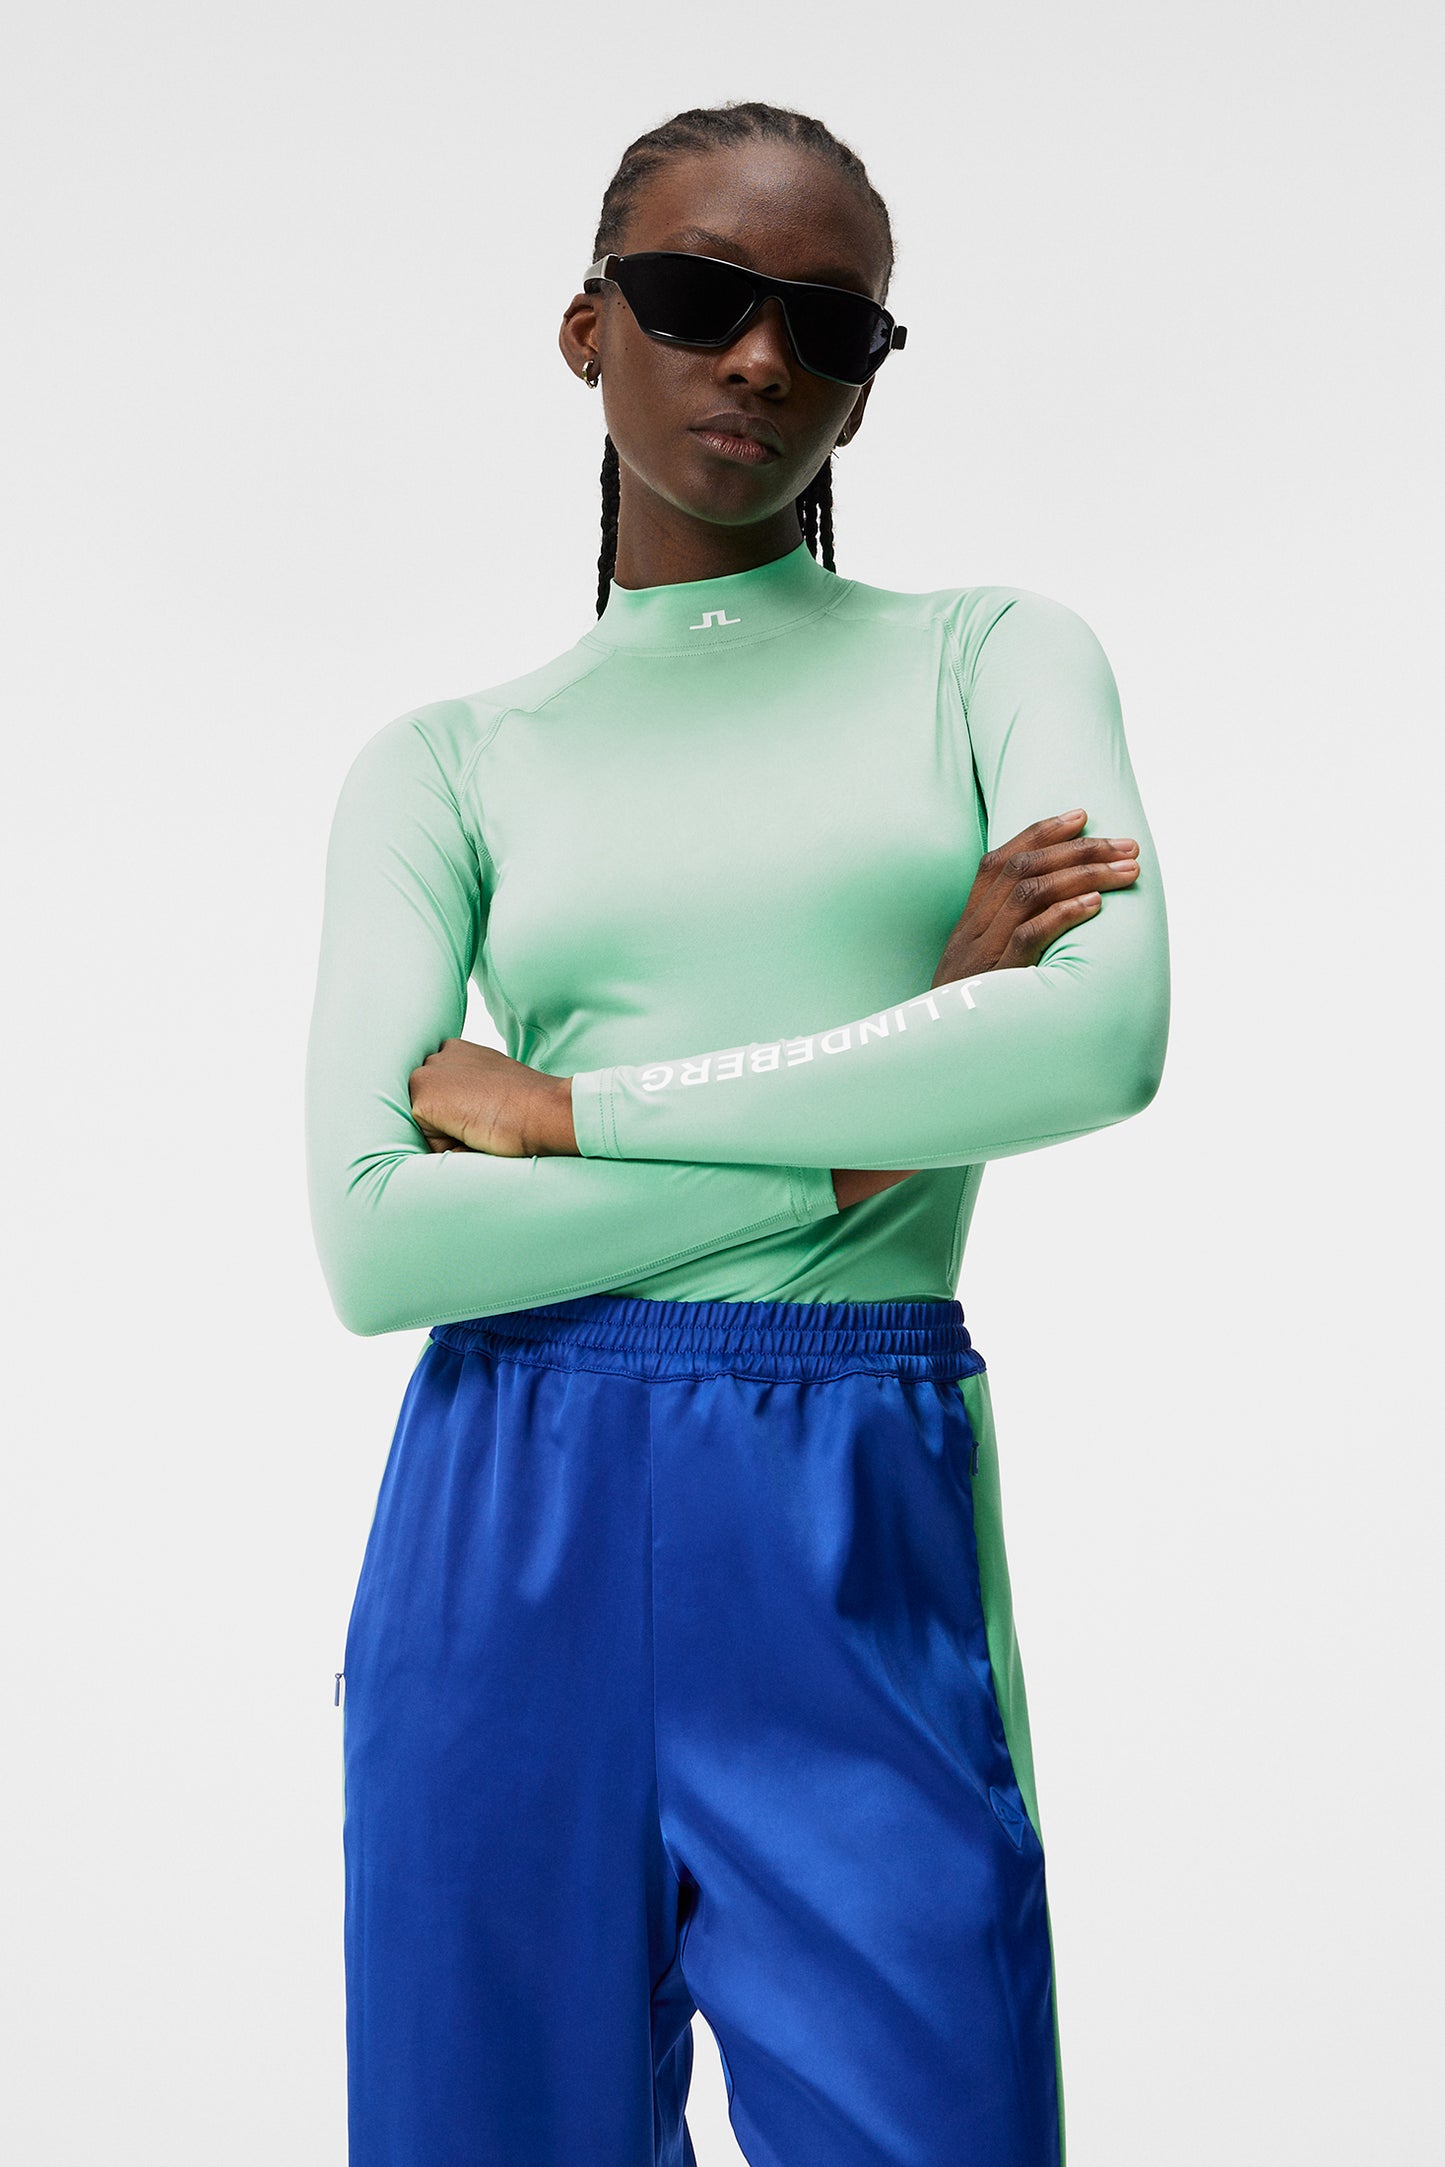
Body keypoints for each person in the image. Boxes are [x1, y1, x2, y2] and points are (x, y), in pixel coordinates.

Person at [304, 97, 1170, 2167]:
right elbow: (381, 1237)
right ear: (587, 329)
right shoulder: (447, 762)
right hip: (505, 1503)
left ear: (867, 381)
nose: (761, 358)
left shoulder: (991, 659)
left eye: (829, 327)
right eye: (697, 298)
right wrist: (881, 1118)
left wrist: (569, 1115)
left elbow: (1099, 1042)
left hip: (845, 1480)